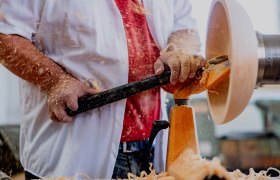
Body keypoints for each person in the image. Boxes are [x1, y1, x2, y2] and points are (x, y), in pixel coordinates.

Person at [0, 0, 204, 179]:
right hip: (72, 152)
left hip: (151, 144)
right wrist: (54, 80)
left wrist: (179, 53)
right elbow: (5, 34)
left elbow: (185, 27)